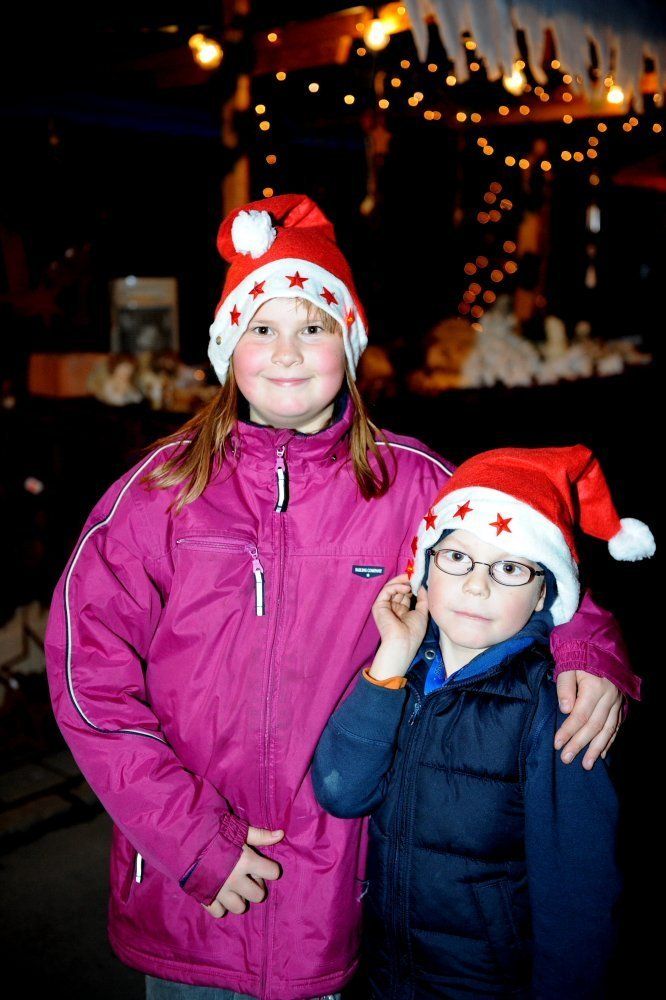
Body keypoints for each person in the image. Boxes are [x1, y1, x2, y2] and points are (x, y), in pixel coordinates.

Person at [44, 195, 638, 1000]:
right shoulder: (158, 495)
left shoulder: (410, 483)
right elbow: (87, 675)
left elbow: (523, 556)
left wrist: (587, 646)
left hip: (335, 897)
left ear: (350, 344)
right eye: (262, 327)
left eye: (314, 327)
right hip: (190, 893)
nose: (287, 353)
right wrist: (189, 838)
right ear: (228, 346)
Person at [312, 445, 655, 998]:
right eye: (457, 557)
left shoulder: (559, 709)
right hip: (384, 977)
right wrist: (391, 659)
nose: (478, 585)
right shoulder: (399, 673)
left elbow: (580, 895)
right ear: (424, 568)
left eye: (511, 568)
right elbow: (341, 792)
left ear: (544, 593)